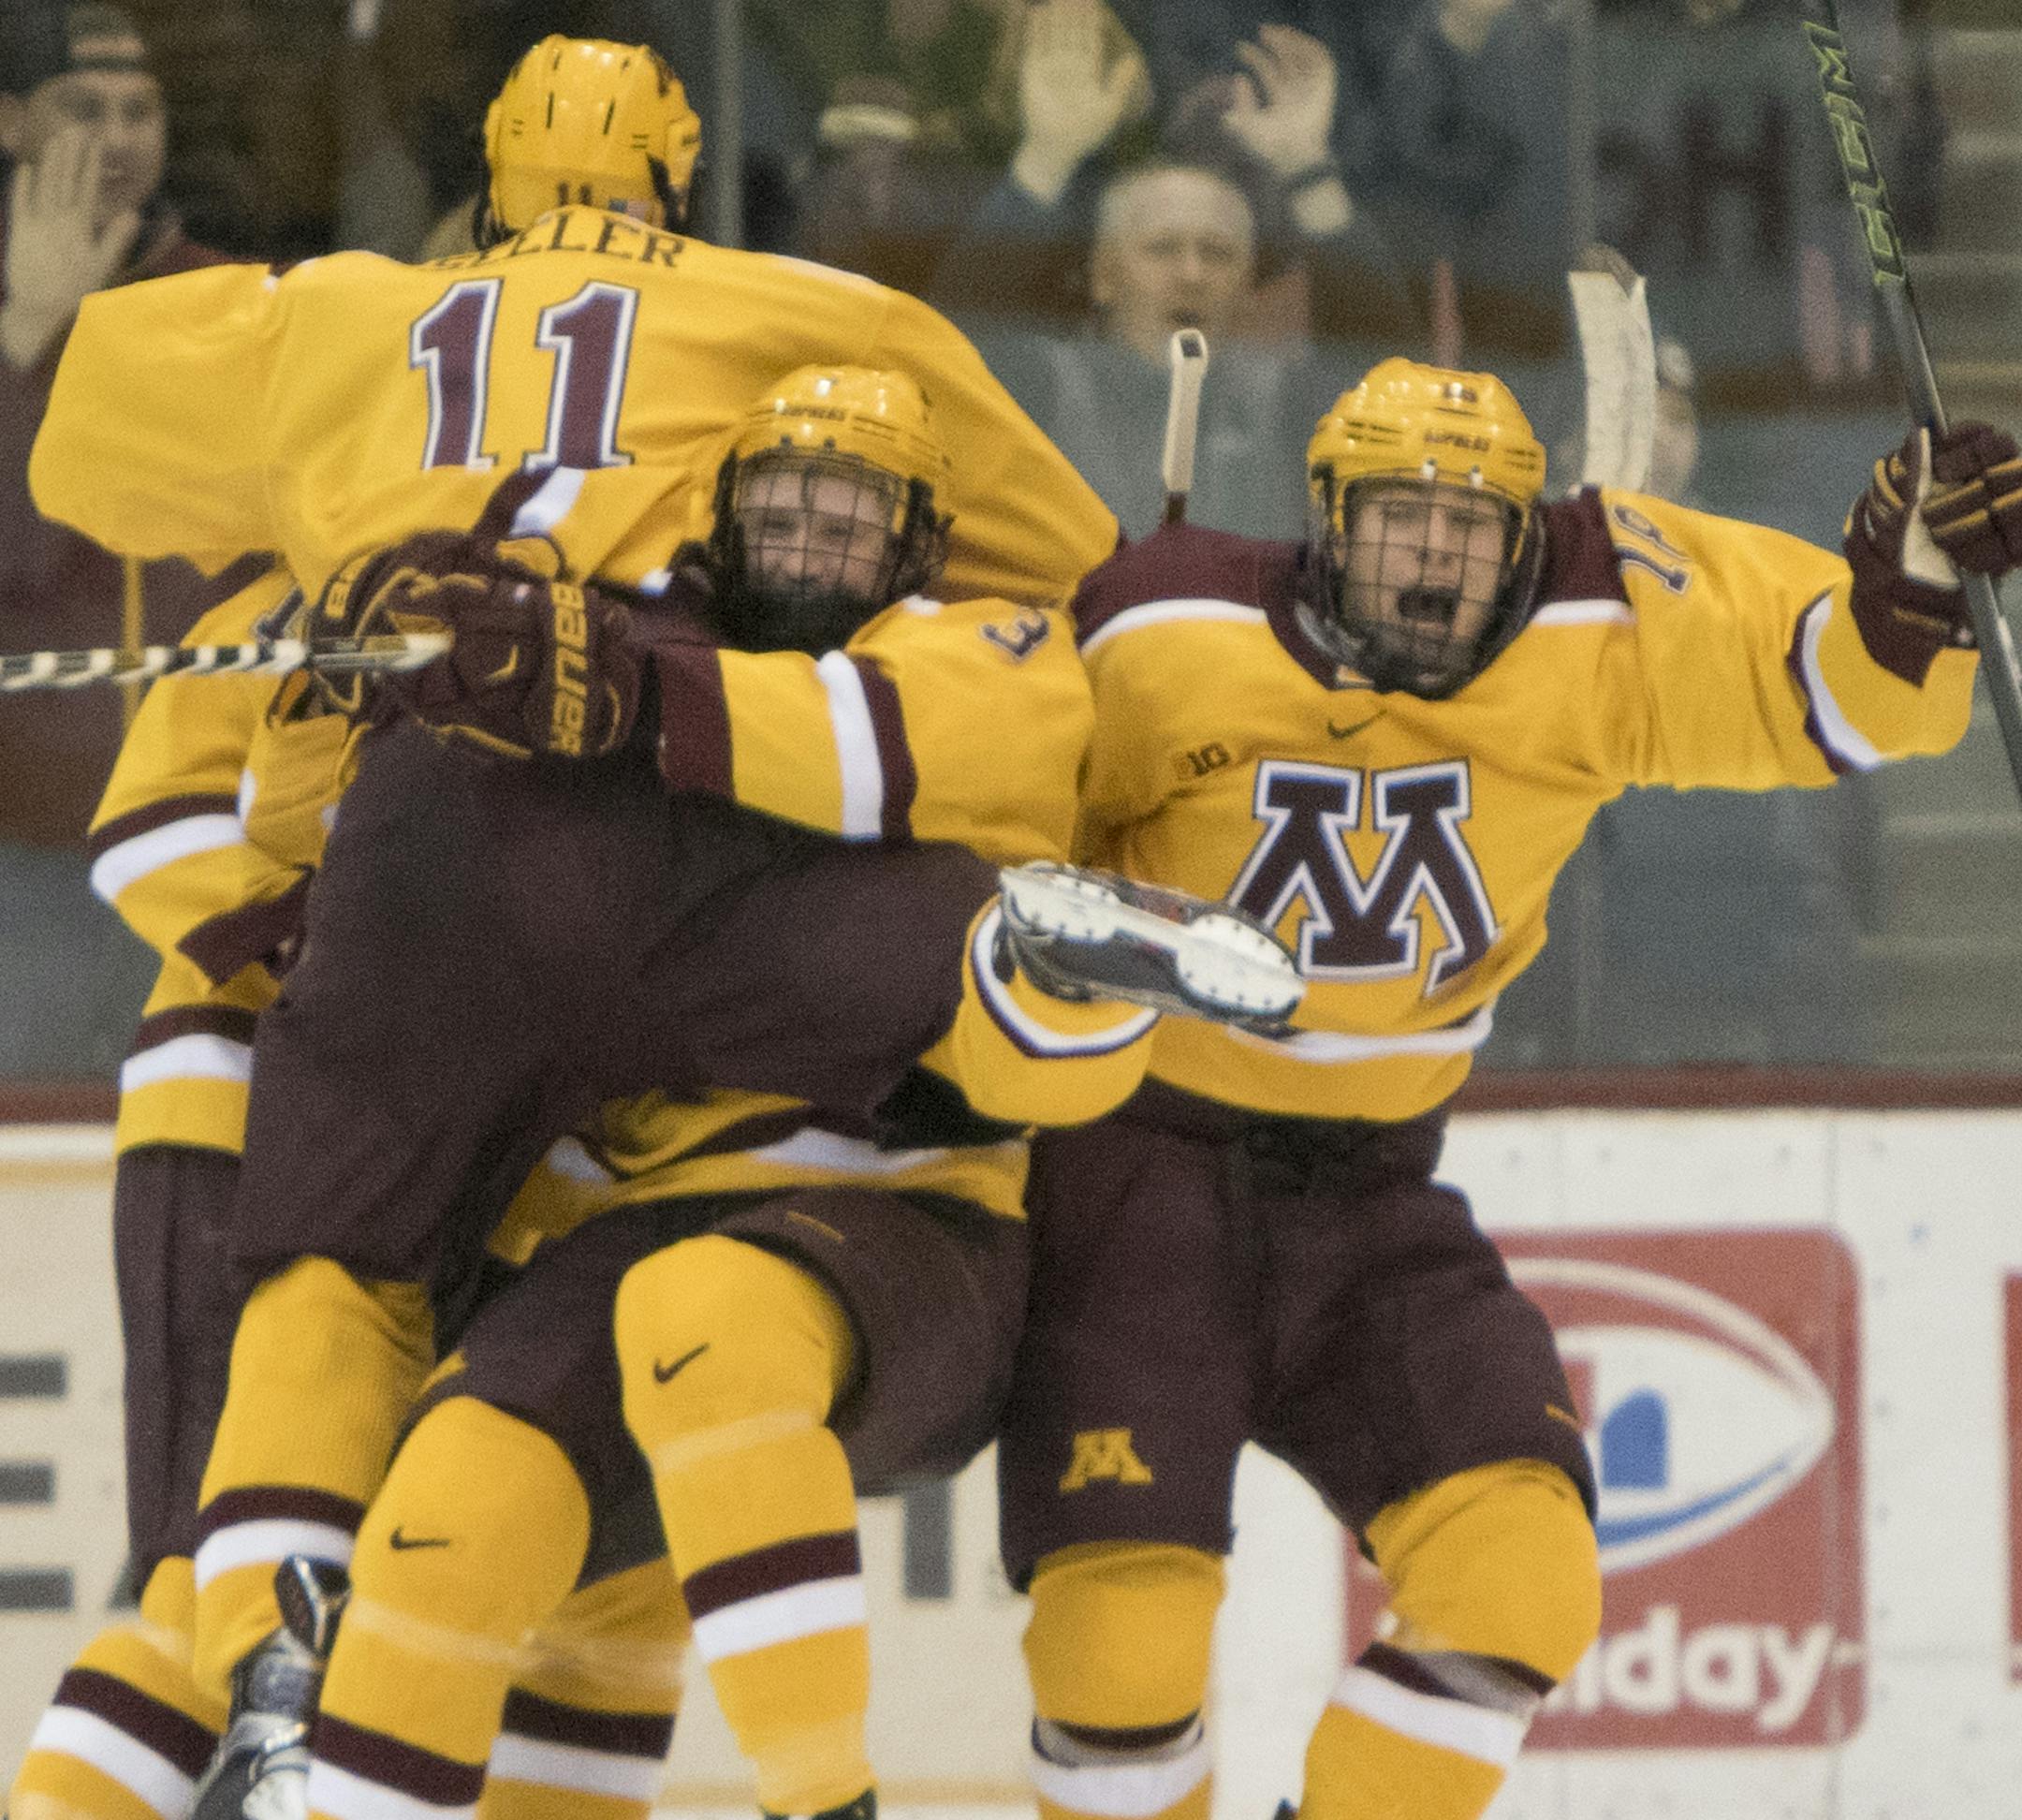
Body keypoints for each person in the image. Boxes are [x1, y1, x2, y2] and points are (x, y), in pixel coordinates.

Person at [991, 358, 2022, 1820]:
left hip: (1371, 1195)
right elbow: (988, 841)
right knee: (1119, 1648)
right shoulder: (1161, 623)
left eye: (1471, 529)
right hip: (1134, 1179)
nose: (1434, 559)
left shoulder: (1596, 628)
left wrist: (1911, 577)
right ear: (1325, 521)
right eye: (1401, 521)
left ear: (1524, 539)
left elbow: (1856, 713)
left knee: (1525, 1579)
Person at [0, 0, 255, 1076]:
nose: (117, 138)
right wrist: (26, 345)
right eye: (83, 109)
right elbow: (21, 559)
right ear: (11, 121)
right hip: (27, 842)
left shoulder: (226, 297)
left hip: (206, 825)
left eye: (140, 110)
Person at [932, 2, 1415, 541]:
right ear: (1104, 276)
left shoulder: (1280, 406)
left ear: (1246, 284)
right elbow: (947, 354)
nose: (1191, 272)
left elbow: (1397, 385)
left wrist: (1308, 170)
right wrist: (1045, 160)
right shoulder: (1041, 389)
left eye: (1218, 253)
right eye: (1162, 249)